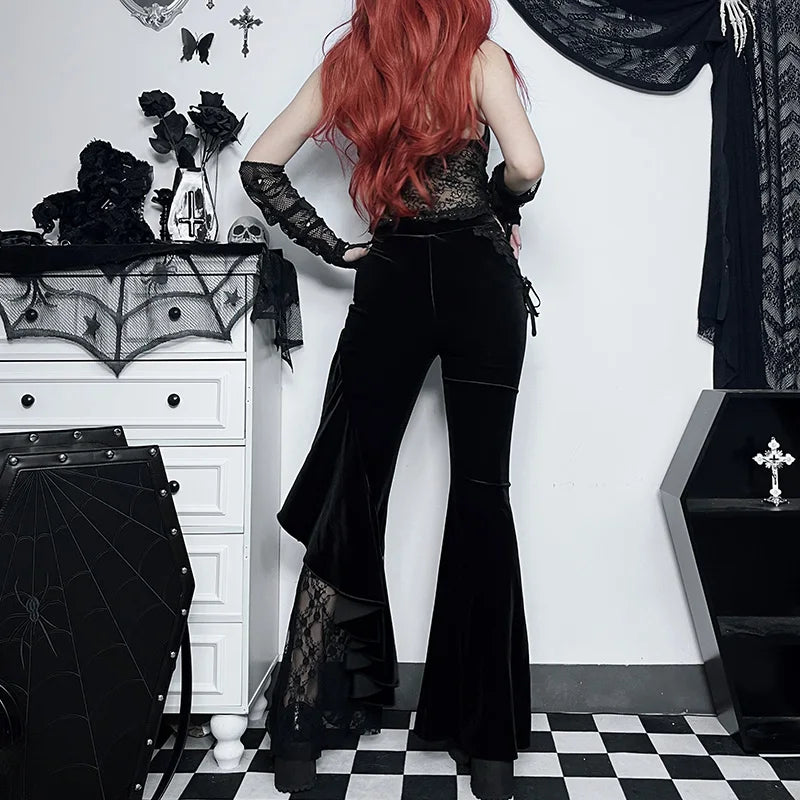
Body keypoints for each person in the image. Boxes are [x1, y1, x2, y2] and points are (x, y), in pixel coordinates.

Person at [239, 2, 544, 798]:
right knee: (482, 494)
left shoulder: (351, 63)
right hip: (480, 281)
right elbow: (527, 165)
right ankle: (490, 753)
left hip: (393, 277)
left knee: (352, 488)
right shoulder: (480, 57)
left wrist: (334, 247)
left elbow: (259, 166)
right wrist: (500, 202)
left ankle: (296, 742)